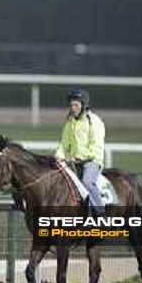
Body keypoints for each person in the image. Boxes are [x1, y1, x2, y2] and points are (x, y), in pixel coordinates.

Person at [55, 87, 106, 216]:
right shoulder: (69, 122)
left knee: (87, 182)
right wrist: (58, 156)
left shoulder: (94, 121)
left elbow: (96, 148)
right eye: (71, 105)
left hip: (92, 161)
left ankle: (100, 213)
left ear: (84, 105)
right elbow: (64, 143)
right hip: (73, 161)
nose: (73, 108)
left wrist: (76, 157)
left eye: (76, 105)